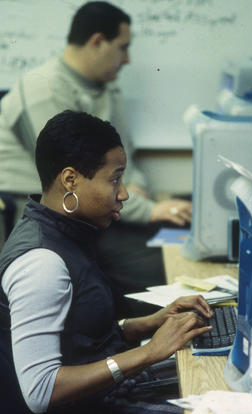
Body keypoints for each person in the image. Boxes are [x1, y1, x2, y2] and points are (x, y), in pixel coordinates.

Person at [0, 110, 212, 414]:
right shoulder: (40, 264)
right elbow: (41, 390)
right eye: (115, 179)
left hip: (108, 392)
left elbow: (81, 339)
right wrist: (149, 352)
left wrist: (149, 324)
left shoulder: (68, 232)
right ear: (70, 179)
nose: (123, 193)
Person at [0, 1, 192, 301]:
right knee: (164, 270)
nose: (127, 59)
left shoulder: (106, 88)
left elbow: (125, 153)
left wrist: (137, 187)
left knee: (173, 251)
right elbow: (77, 176)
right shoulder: (42, 91)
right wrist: (150, 210)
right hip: (52, 218)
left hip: (94, 208)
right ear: (97, 42)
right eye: (123, 47)